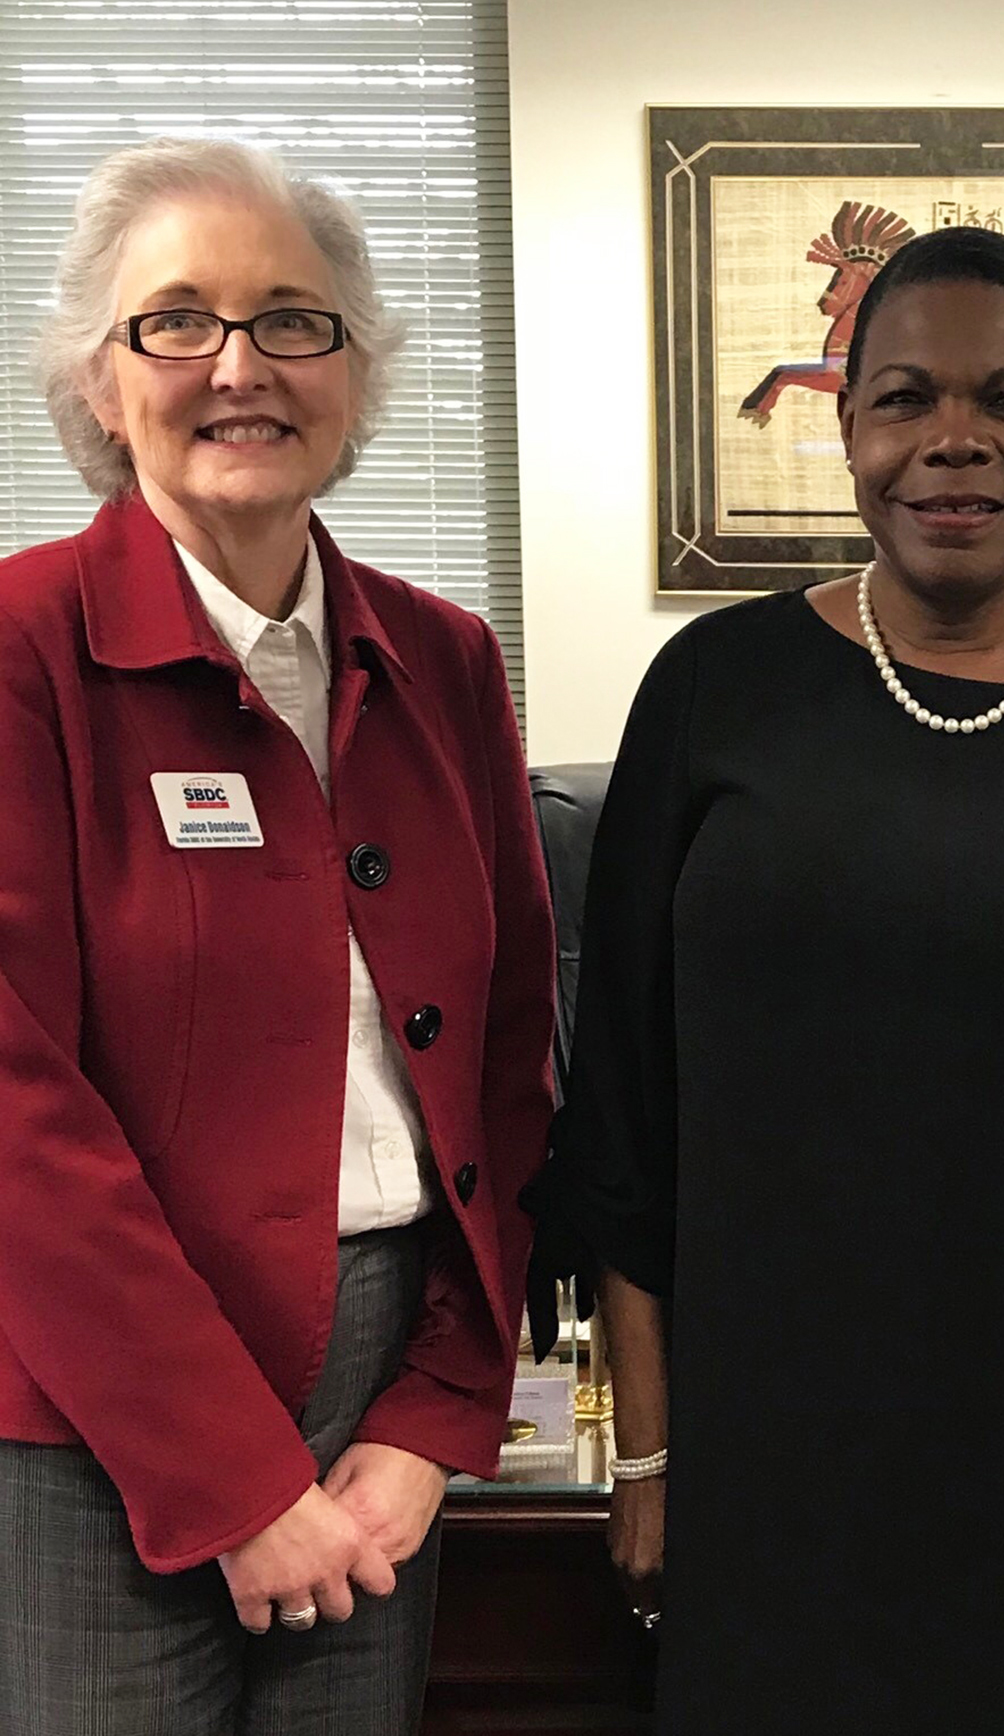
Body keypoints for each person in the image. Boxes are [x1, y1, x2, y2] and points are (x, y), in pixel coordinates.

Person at [526, 226, 1004, 1733]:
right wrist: (650, 1459)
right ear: (846, 427)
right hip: (762, 1497)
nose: (955, 442)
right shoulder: (712, 694)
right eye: (905, 399)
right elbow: (626, 1123)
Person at [0, 137, 555, 1733]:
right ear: (103, 385)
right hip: (95, 1411)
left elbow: (507, 1059)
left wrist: (442, 1406)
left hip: (381, 1382)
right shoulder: (26, 653)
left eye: (294, 321)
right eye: (176, 321)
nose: (239, 366)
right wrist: (235, 1479)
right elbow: (20, 1119)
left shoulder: (444, 660)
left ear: (354, 375)